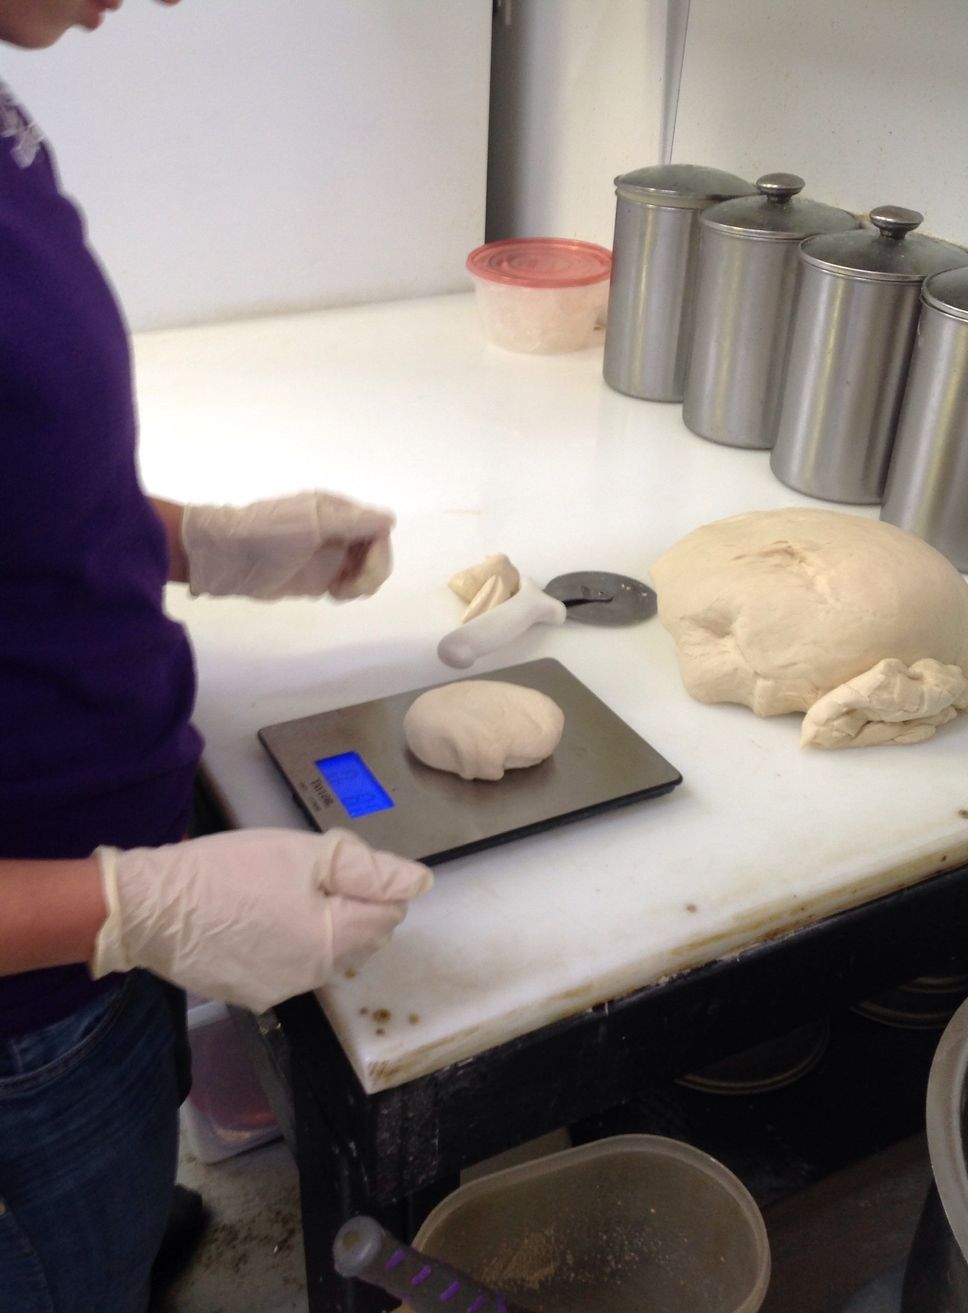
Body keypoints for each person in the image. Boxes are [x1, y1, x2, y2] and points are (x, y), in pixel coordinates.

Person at [0, 2, 434, 1309]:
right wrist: (134, 908)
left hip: (96, 928)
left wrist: (204, 542)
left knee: (122, 1208)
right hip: (27, 1019)